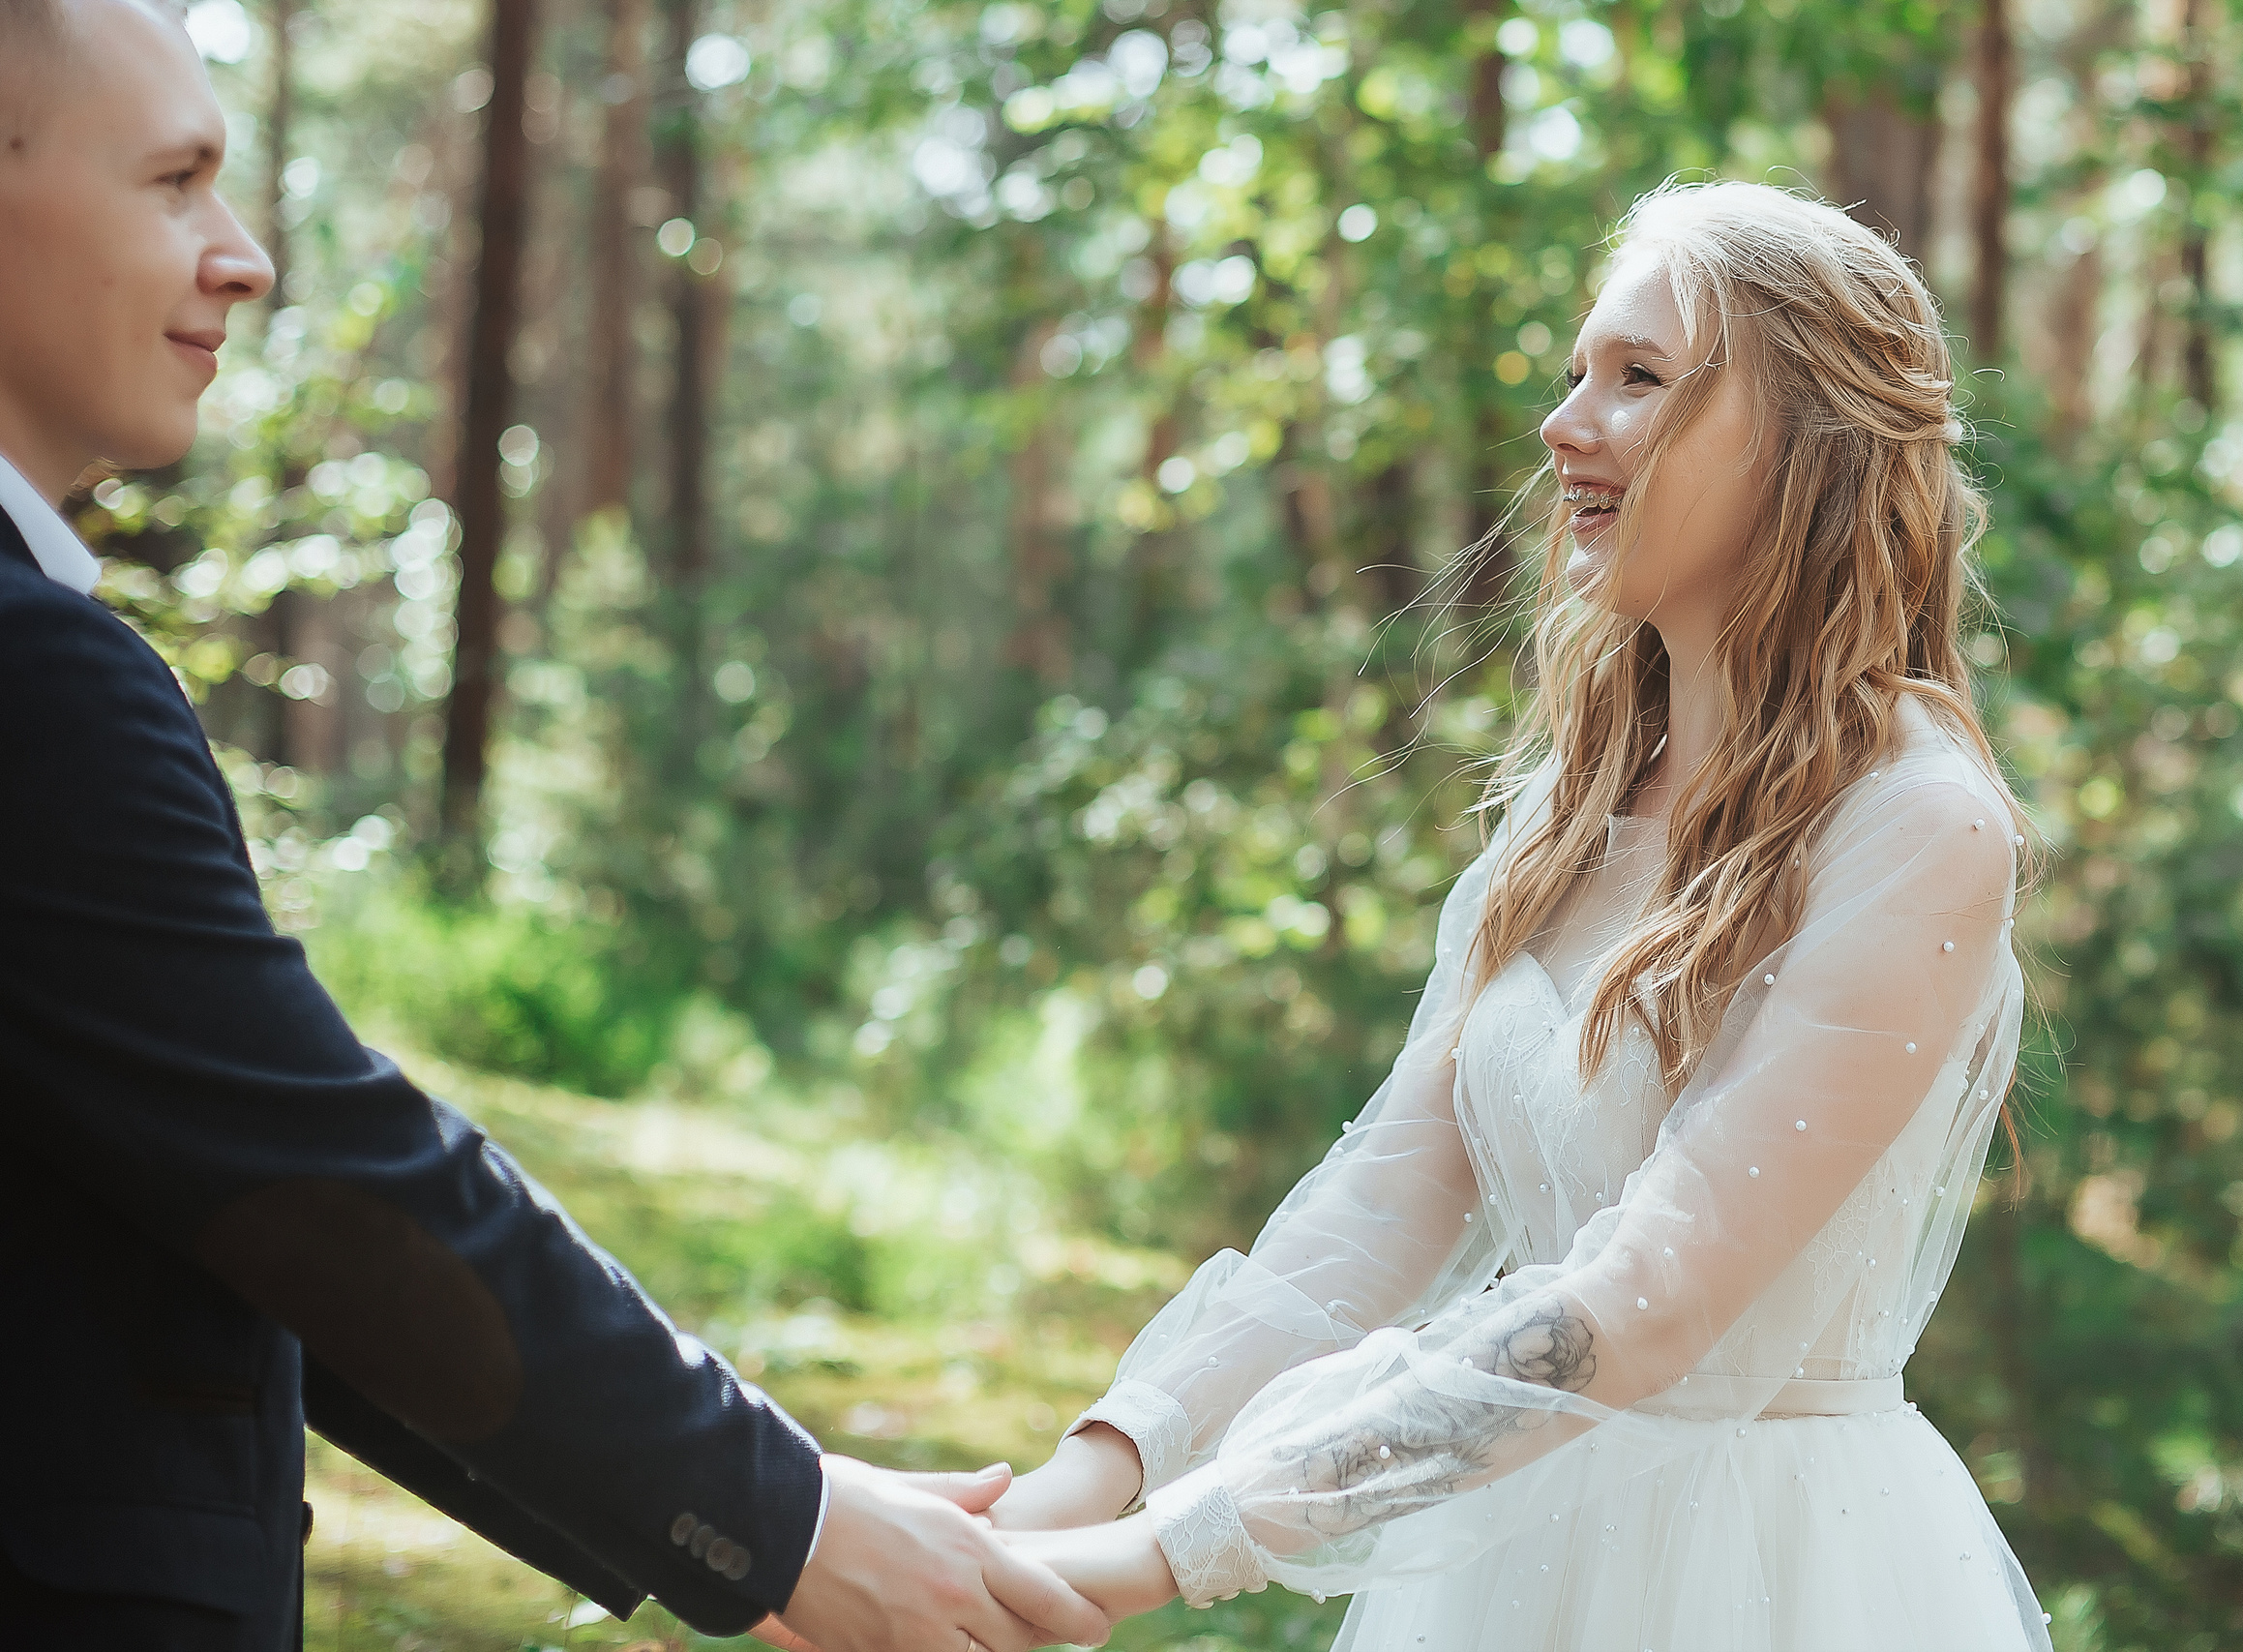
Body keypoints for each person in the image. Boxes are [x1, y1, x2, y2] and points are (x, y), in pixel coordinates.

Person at [0, 5, 1110, 1650]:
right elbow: (320, 1180)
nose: (243, 258)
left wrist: (750, 1534)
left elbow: (245, 1219)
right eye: (175, 182)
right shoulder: (36, 683)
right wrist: (784, 1524)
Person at [985, 179, 2057, 1651]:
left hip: (1787, 1579)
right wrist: (1076, 1483)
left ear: (1810, 442)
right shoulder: (1566, 812)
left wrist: (1173, 1549)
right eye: (1574, 376)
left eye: (1636, 379)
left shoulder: (1917, 823)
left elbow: (1659, 1293)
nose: (1563, 426)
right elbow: (1378, 1208)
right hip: (1516, 1573)